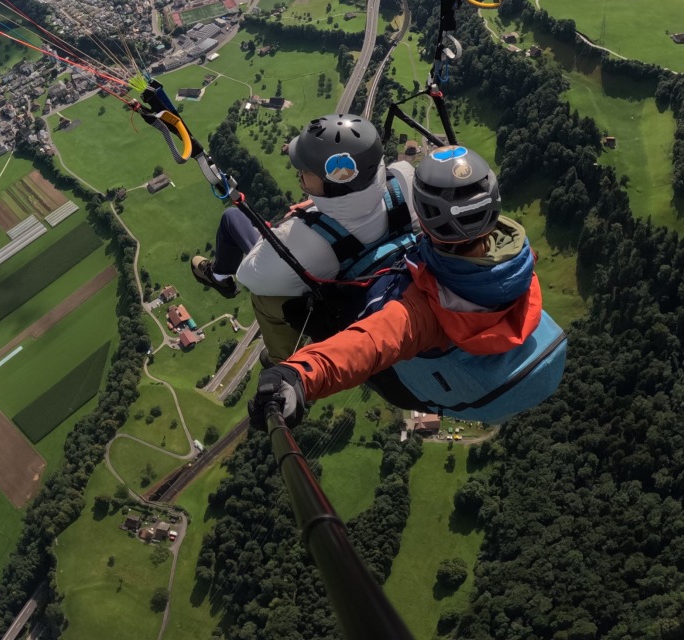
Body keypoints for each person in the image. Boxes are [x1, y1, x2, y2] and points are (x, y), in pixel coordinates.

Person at [248, 145, 562, 427]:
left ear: (421, 221)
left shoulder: (426, 308)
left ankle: (279, 357)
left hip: (432, 390)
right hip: (532, 363)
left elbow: (367, 344)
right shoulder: (517, 255)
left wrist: (296, 375)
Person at [190, 112, 415, 362]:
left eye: (306, 171)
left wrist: (281, 232)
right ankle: (219, 276)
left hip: (347, 309)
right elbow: (361, 201)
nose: (299, 173)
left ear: (331, 185)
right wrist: (317, 207)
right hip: (399, 282)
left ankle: (282, 361)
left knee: (235, 224)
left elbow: (247, 275)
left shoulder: (301, 242)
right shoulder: (405, 180)